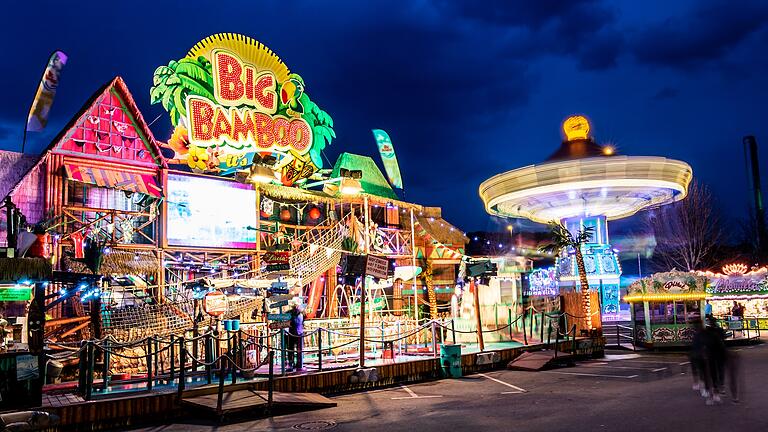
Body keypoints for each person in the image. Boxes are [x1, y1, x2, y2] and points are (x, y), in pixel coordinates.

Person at [287, 301, 305, 371]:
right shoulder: (299, 313)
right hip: (297, 332)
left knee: (293, 350)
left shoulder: (291, 313)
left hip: (295, 332)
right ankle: (295, 364)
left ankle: (296, 364)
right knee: (294, 350)